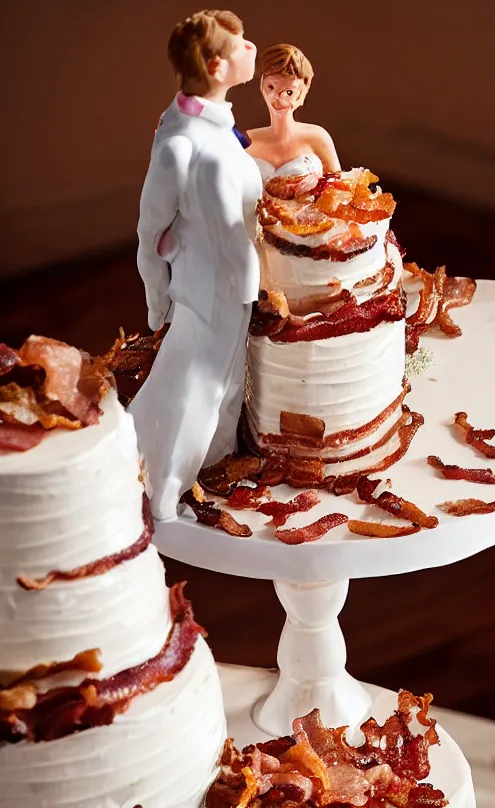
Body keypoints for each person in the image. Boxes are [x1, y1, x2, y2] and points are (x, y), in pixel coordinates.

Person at [130, 10, 261, 521]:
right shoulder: (180, 144)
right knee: (196, 380)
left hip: (233, 286)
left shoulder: (215, 127)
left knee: (225, 381)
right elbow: (149, 230)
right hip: (207, 289)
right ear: (215, 65)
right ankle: (163, 480)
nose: (251, 49)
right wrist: (155, 295)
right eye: (241, 45)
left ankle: (214, 464)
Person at [246, 43, 341, 183]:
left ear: (304, 90)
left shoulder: (317, 137)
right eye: (270, 87)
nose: (277, 98)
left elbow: (340, 191)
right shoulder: (245, 141)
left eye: (289, 92)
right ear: (262, 84)